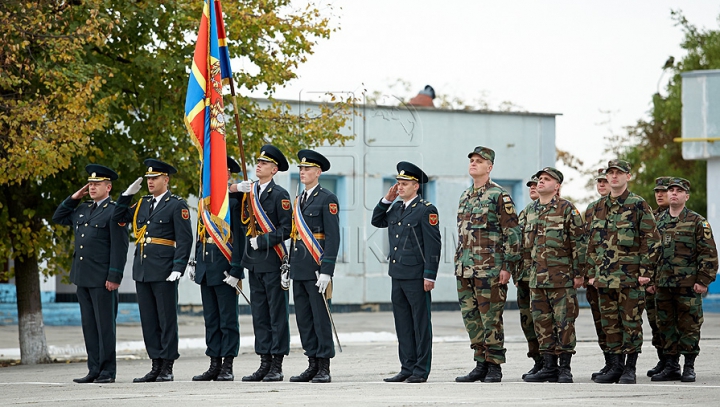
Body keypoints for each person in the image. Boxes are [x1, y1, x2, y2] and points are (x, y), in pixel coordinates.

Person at [112, 159, 193, 383]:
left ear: (165, 180)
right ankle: (155, 364)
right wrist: (125, 196)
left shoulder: (177, 204)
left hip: (165, 269)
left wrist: (179, 267)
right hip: (143, 270)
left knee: (166, 320)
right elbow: (118, 217)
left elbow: (185, 240)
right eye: (148, 178)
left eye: (154, 178)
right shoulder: (142, 203)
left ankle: (167, 366)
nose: (150, 182)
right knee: (149, 320)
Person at [52, 165, 129, 384]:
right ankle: (94, 369)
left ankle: (107, 371)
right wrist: (74, 197)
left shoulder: (115, 211)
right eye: (90, 184)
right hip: (82, 276)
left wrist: (115, 276)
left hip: (103, 278)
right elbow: (59, 217)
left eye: (97, 184)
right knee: (89, 326)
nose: (92, 187)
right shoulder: (83, 209)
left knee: (105, 326)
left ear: (109, 186)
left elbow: (119, 247)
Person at [586, 159, 660, 384]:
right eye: (611, 173)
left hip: (630, 278)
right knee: (610, 325)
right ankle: (615, 366)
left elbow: (653, 239)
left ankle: (630, 368)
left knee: (631, 324)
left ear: (628, 176)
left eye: (619, 173)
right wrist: (591, 273)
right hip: (604, 279)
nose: (614, 177)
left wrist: (646, 271)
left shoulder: (638, 204)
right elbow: (590, 244)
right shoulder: (597, 207)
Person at [454, 146, 521, 383]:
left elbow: (512, 233)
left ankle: (494, 366)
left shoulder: (499, 195)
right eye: (471, 159)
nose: (473, 163)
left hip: (490, 269)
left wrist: (507, 267)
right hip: (465, 269)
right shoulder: (465, 196)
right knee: (471, 318)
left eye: (479, 161)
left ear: (489, 167)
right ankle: (480, 363)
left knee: (490, 318)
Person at [371, 161, 441, 384]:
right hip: (397, 273)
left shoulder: (426, 209)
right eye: (398, 183)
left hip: (417, 275)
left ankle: (421, 370)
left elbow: (433, 245)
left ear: (416, 186)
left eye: (405, 183)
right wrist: (386, 200)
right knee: (402, 323)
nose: (400, 187)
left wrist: (430, 274)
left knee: (420, 323)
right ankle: (406, 367)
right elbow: (377, 220)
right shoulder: (396, 208)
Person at [232, 145, 293, 382]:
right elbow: (219, 198)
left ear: (274, 169)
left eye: (264, 163)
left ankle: (276, 364)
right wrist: (237, 187)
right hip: (254, 262)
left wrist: (264, 240)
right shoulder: (249, 191)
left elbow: (287, 229)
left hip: (273, 259)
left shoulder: (280, 195)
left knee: (276, 314)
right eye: (257, 162)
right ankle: (264, 362)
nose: (258, 165)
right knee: (259, 315)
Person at [521, 167, 585, 383]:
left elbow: (579, 243)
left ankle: (565, 368)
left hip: (561, 279)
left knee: (564, 323)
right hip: (536, 280)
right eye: (539, 179)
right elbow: (524, 247)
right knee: (542, 323)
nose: (540, 182)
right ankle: (548, 366)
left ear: (556, 186)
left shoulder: (568, 209)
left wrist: (579, 274)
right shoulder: (530, 210)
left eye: (546, 179)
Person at [650, 178, 718, 382]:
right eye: (671, 190)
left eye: (679, 191)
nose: (673, 194)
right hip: (663, 284)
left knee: (690, 324)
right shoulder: (658, 221)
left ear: (686, 196)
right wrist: (652, 279)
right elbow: (651, 253)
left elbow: (709, 254)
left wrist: (704, 280)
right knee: (665, 325)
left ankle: (689, 365)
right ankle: (671, 365)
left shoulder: (697, 221)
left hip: (688, 285)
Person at [190, 157, 246, 382]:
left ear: (228, 174)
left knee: (227, 320)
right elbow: (200, 235)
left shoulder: (234, 202)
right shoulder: (205, 203)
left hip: (224, 269)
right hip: (205, 268)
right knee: (211, 319)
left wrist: (236, 270)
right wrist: (195, 262)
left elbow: (239, 240)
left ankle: (228, 364)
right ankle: (214, 363)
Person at [289, 149, 340, 383]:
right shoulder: (299, 199)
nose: (302, 172)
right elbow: (295, 236)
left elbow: (333, 236)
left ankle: (323, 366)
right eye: (300, 168)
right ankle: (311, 362)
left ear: (318, 172)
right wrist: (287, 266)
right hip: (299, 267)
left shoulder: (327, 198)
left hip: (317, 267)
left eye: (307, 168)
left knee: (320, 317)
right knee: (304, 318)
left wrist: (327, 270)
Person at [584, 167, 611, 380]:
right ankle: (609, 362)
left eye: (605, 181)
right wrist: (587, 274)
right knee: (601, 321)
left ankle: (625, 365)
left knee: (621, 323)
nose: (601, 185)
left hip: (620, 276)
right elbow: (587, 244)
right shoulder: (592, 209)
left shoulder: (633, 206)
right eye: (599, 182)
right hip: (595, 278)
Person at [514, 175, 542, 379]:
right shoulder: (525, 213)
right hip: (524, 277)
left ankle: (554, 361)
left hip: (547, 278)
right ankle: (538, 360)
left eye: (536, 184)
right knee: (528, 321)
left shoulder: (561, 209)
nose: (532, 187)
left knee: (548, 321)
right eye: (530, 185)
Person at [645, 176, 671, 377]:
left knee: (672, 323)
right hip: (652, 281)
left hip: (673, 280)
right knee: (656, 322)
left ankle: (675, 363)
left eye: (664, 191)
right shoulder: (651, 217)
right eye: (657, 191)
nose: (660, 195)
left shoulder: (684, 218)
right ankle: (663, 360)